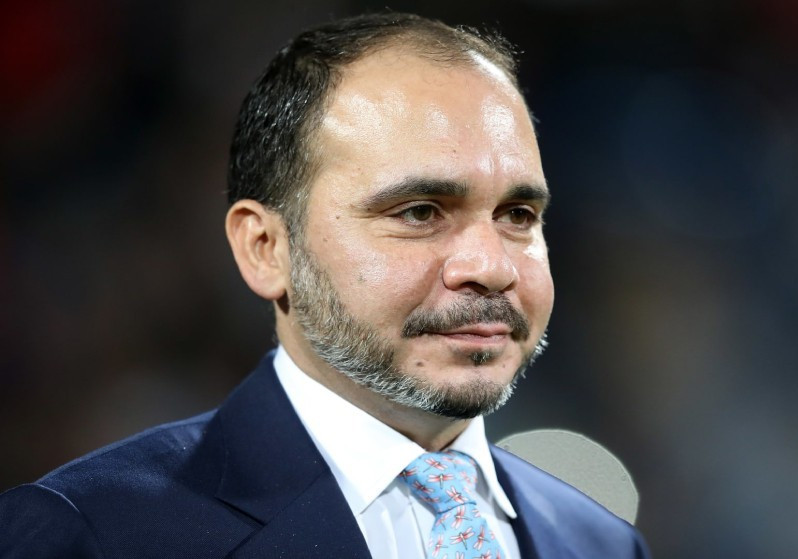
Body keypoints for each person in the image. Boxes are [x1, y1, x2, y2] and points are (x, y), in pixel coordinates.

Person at [0, 12, 650, 558]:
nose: (492, 265)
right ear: (265, 249)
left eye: (518, 215)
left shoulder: (599, 543)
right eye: (419, 212)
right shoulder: (94, 534)